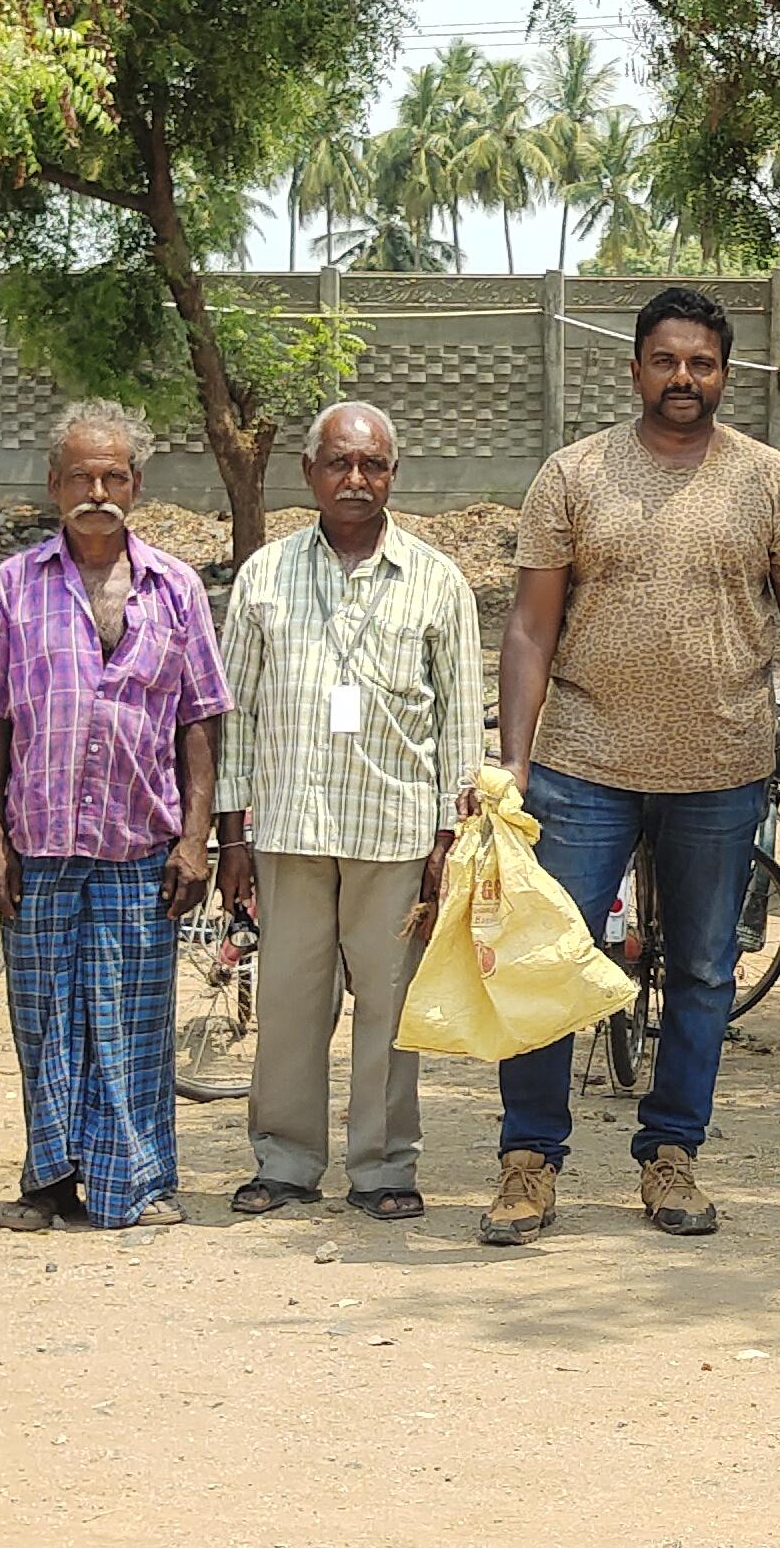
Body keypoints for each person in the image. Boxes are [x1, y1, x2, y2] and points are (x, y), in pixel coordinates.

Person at [484, 285, 780, 1245]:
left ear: (726, 373)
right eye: (667, 361)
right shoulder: (573, 474)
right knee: (549, 959)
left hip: (721, 765)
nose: (685, 377)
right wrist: (514, 760)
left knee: (706, 971)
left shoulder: (769, 480)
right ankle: (528, 1160)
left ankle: (672, 1153)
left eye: (703, 363)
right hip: (581, 763)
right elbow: (529, 627)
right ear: (636, 368)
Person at [0, 401, 231, 1232]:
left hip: (139, 844)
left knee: (133, 1024)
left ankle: (135, 1186)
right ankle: (48, 1184)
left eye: (113, 477)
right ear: (54, 485)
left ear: (137, 485)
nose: (97, 493)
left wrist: (195, 839)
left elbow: (200, 720)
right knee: (45, 1019)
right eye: (80, 477)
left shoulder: (175, 588)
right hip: (38, 845)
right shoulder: (14, 585)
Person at [215, 402, 480, 1222]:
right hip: (288, 828)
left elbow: (459, 724)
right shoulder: (265, 576)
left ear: (393, 474)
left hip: (395, 833)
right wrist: (231, 834)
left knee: (389, 1010)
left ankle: (384, 1167)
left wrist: (449, 836)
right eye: (339, 463)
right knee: (290, 1006)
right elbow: (235, 715)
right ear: (310, 473)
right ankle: (285, 1162)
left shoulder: (438, 581)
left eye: (372, 465)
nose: (355, 479)